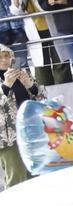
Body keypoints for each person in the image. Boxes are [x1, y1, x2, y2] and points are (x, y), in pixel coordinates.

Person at [9, 0, 68, 86]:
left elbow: (45, 7)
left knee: (60, 61)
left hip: (51, 29)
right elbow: (16, 12)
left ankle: (65, 88)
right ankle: (44, 92)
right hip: (33, 34)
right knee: (40, 64)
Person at [0, 43, 42, 187]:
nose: (4, 60)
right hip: (7, 138)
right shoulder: (6, 80)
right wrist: (5, 85)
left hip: (30, 131)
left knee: (36, 173)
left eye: (6, 56)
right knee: (16, 176)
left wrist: (30, 85)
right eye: (0, 57)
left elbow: (42, 98)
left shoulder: (22, 74)